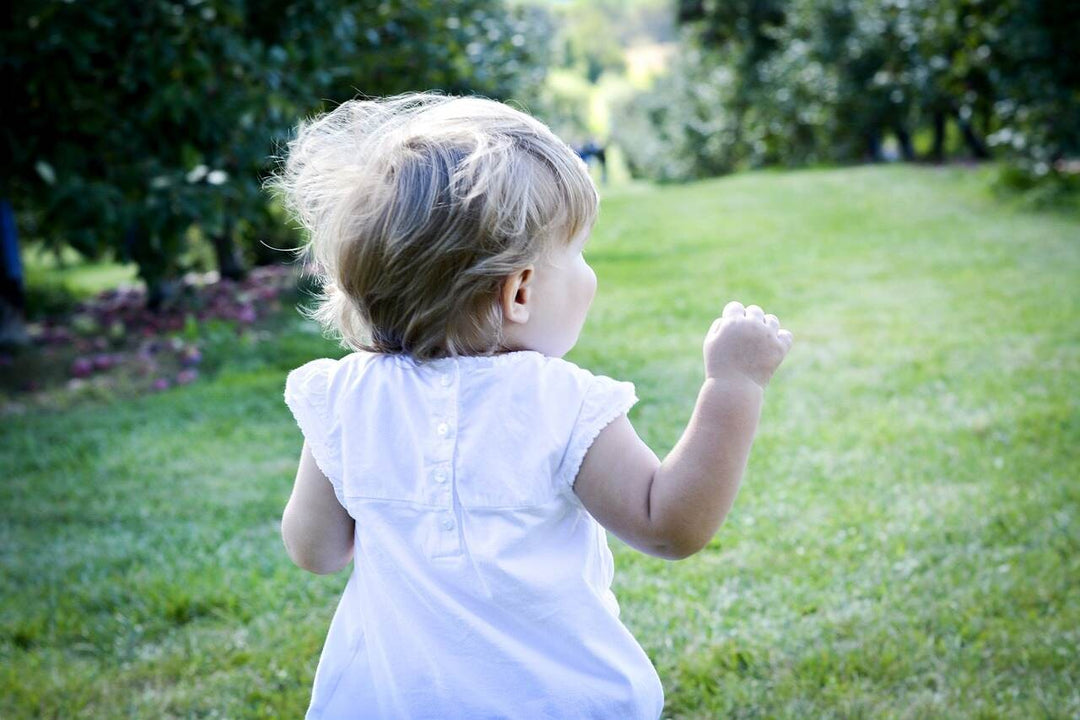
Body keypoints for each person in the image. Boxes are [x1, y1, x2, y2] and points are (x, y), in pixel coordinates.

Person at [273, 93, 792, 719]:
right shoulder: (561, 404)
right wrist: (733, 387)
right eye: (576, 253)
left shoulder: (342, 397)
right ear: (519, 290)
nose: (587, 271)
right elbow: (669, 525)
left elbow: (316, 551)